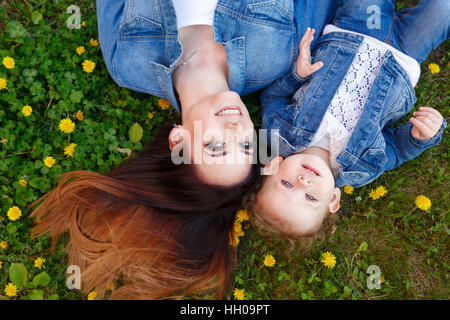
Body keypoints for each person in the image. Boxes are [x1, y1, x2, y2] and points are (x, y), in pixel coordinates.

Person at [29, 0, 341, 299]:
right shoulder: (274, 58)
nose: (235, 129)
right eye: (247, 145)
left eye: (215, 146)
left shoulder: (128, 63)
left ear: (179, 140)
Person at [249, 0, 448, 242]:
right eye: (311, 198)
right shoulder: (361, 169)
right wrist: (419, 138)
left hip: (354, 30)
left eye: (287, 185)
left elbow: (273, 95)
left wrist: (296, 75)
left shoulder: (280, 132)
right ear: (333, 199)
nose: (303, 182)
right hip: (404, 56)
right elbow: (395, 150)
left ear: (272, 167)